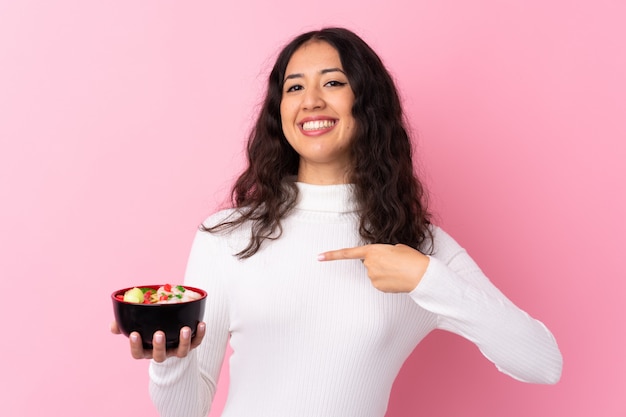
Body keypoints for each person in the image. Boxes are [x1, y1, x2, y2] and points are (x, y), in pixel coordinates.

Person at [111, 27, 562, 417]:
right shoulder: (229, 236)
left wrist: (429, 280)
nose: (311, 101)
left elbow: (543, 363)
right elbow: (187, 409)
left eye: (333, 82)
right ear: (279, 111)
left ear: (367, 104)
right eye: (293, 88)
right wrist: (168, 357)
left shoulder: (419, 248)